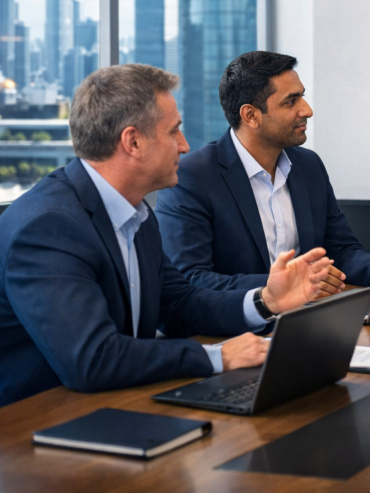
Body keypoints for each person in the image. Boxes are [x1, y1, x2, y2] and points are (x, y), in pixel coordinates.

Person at [0, 65, 343, 408]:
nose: (184, 145)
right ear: (132, 141)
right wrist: (216, 357)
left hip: (119, 400)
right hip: (37, 423)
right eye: (174, 132)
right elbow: (92, 359)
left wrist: (265, 300)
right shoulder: (50, 227)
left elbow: (179, 304)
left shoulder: (137, 214)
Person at [156, 51, 370, 291]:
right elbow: (191, 279)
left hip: (310, 316)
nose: (307, 110)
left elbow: (340, 250)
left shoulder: (309, 166)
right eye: (291, 101)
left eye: (302, 97)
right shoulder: (192, 177)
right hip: (236, 325)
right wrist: (285, 285)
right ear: (251, 116)